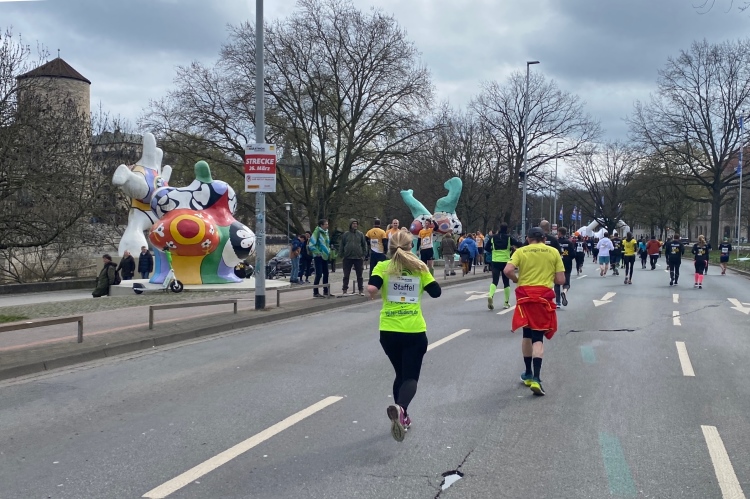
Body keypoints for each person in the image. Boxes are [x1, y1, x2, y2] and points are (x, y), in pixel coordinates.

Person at [367, 229, 441, 442]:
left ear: (390, 249)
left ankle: (403, 417)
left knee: (400, 374)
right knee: (410, 378)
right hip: (413, 331)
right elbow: (436, 292)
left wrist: (375, 291)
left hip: (388, 331)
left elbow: (372, 287)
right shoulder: (419, 268)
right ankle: (401, 408)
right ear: (411, 247)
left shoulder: (382, 266)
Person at [503, 227, 565, 396]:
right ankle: (537, 378)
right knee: (538, 337)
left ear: (528, 239)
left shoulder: (521, 251)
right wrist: (548, 276)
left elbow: (507, 270)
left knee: (526, 334)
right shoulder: (553, 252)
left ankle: (528, 373)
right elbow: (560, 279)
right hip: (543, 297)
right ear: (544, 239)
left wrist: (517, 279)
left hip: (525, 296)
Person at [486, 223, 521, 310]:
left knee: (494, 281)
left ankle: (490, 295)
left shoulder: (493, 237)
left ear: (499, 228)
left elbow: (486, 248)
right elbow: (518, 244)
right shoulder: (509, 238)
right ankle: (506, 302)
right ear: (507, 229)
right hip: (505, 261)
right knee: (506, 282)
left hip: (495, 261)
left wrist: (493, 250)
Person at [340, 219, 368, 295]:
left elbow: (364, 245)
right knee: (346, 275)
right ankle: (344, 289)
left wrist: (364, 254)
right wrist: (342, 255)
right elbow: (342, 245)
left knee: (359, 275)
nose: (355, 225)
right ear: (350, 225)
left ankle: (360, 289)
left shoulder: (360, 234)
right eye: (353, 224)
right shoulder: (346, 234)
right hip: (347, 257)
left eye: (356, 224)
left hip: (358, 257)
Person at [539, 220, 562, 306]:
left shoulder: (533, 239)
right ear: (548, 228)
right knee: (552, 284)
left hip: (536, 265)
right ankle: (554, 301)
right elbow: (559, 253)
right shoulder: (553, 240)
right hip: (550, 266)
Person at [309, 219, 333, 297]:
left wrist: (328, 251)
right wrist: (317, 252)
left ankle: (326, 291)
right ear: (321, 225)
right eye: (326, 224)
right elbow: (311, 245)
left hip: (325, 255)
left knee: (326, 273)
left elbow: (326, 244)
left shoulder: (326, 233)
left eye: (327, 224)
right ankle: (315, 292)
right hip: (318, 256)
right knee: (319, 274)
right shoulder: (317, 232)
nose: (327, 226)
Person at [557, 227, 574, 306]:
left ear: (560, 233)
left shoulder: (556, 242)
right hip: (567, 263)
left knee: (557, 283)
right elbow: (573, 254)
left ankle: (558, 302)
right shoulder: (569, 242)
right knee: (566, 282)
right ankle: (564, 292)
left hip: (558, 263)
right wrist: (568, 257)